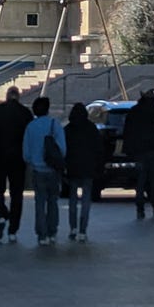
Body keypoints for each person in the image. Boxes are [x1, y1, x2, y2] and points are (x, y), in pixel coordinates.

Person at [0, 84, 31, 243]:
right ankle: (13, 230)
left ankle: (2, 215)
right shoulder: (25, 113)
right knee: (17, 194)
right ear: (18, 96)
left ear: (6, 96)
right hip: (18, 159)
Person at [21, 96, 66, 245]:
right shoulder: (55, 124)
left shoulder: (30, 127)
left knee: (39, 202)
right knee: (53, 201)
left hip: (37, 170)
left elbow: (26, 153)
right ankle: (52, 231)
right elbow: (62, 149)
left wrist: (33, 160)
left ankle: (42, 234)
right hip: (53, 170)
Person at [62, 101, 103, 242]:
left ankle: (73, 227)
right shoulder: (91, 128)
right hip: (88, 167)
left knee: (73, 199)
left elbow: (63, 149)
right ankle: (83, 230)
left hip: (73, 167)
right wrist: (98, 166)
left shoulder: (68, 129)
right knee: (86, 199)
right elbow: (98, 149)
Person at [122, 88, 154, 220]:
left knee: (141, 180)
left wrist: (128, 150)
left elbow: (127, 132)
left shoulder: (134, 111)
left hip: (139, 151)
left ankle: (140, 208)